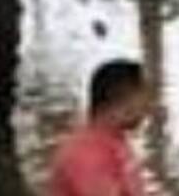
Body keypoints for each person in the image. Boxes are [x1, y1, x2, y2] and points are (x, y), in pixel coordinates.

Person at [49, 59, 153, 196]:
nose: (148, 109)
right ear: (125, 101)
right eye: (143, 100)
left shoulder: (113, 140)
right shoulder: (87, 154)